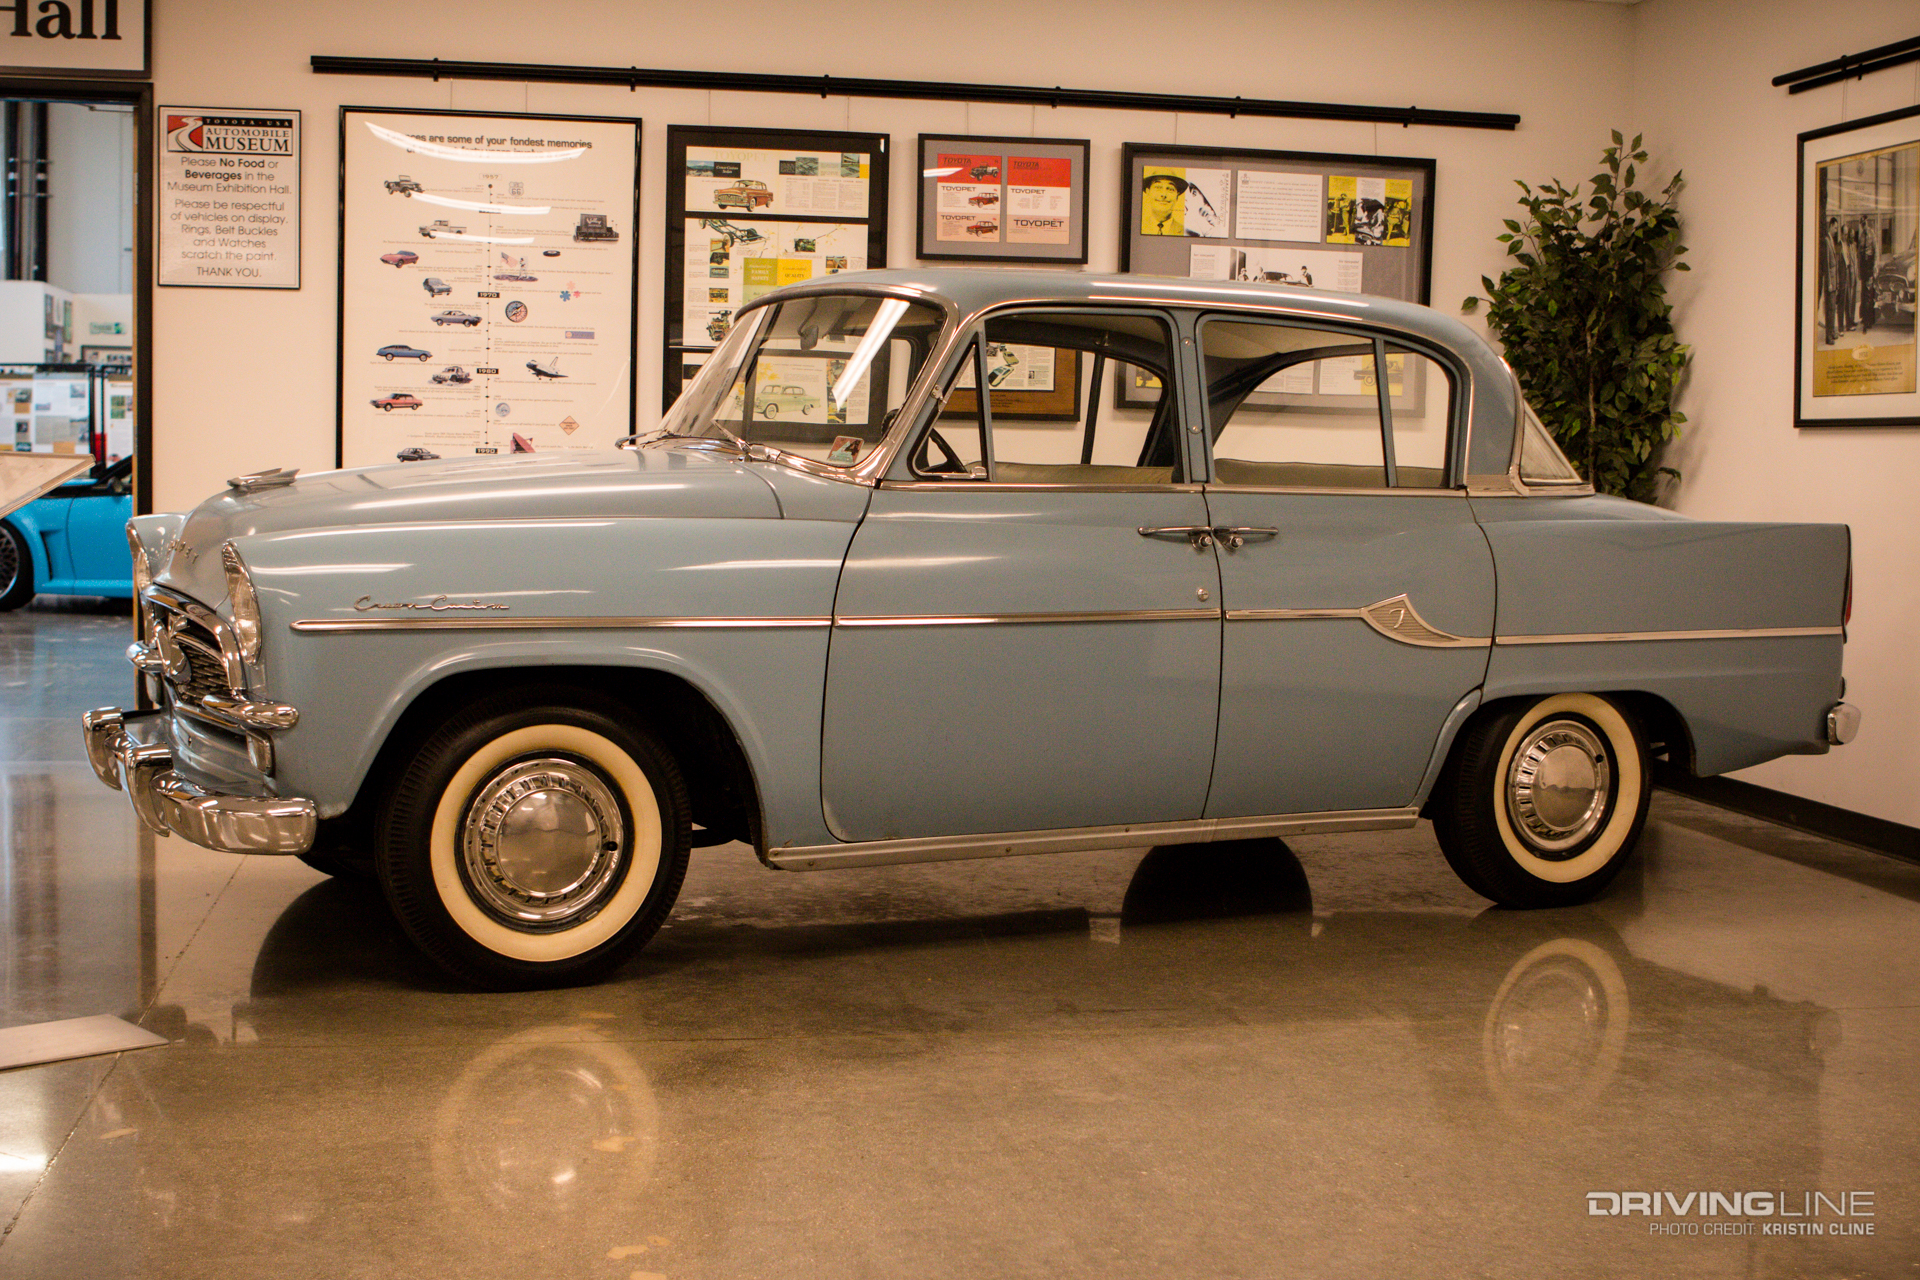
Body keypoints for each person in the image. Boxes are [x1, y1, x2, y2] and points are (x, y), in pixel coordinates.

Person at [1141, 170, 1187, 236]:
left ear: (1177, 195)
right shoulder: (1136, 228)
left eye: (1170, 189)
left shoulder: (1188, 233)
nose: (1163, 194)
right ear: (1148, 192)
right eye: (1158, 187)